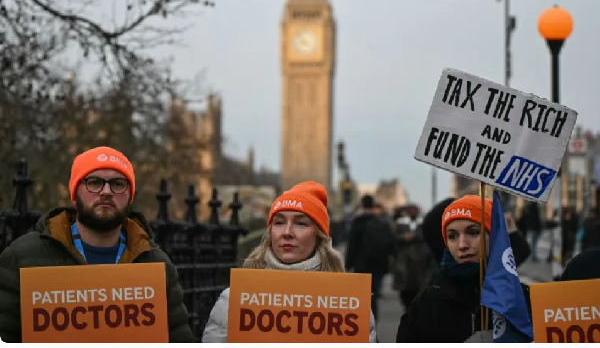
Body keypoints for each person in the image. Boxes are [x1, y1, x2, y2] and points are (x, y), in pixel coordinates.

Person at [0, 146, 193, 343]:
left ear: (130, 196)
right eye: (94, 183)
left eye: (118, 184)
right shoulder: (22, 258)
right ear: (75, 194)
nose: (106, 192)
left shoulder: (157, 264)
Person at [202, 181, 377, 343]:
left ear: (319, 236)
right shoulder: (236, 299)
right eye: (279, 222)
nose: (287, 232)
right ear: (271, 233)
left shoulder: (349, 304)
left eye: (301, 224)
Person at [396, 195, 532, 343]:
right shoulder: (427, 304)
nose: (462, 245)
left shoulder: (524, 300)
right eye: (452, 236)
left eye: (473, 232)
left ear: (495, 237)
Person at [345, 194, 396, 321]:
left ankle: (364, 322)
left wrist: (348, 264)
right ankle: (374, 322)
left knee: (363, 296)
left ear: (362, 205)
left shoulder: (358, 222)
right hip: (378, 265)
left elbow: (352, 245)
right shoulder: (381, 222)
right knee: (374, 296)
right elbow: (390, 243)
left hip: (361, 264)